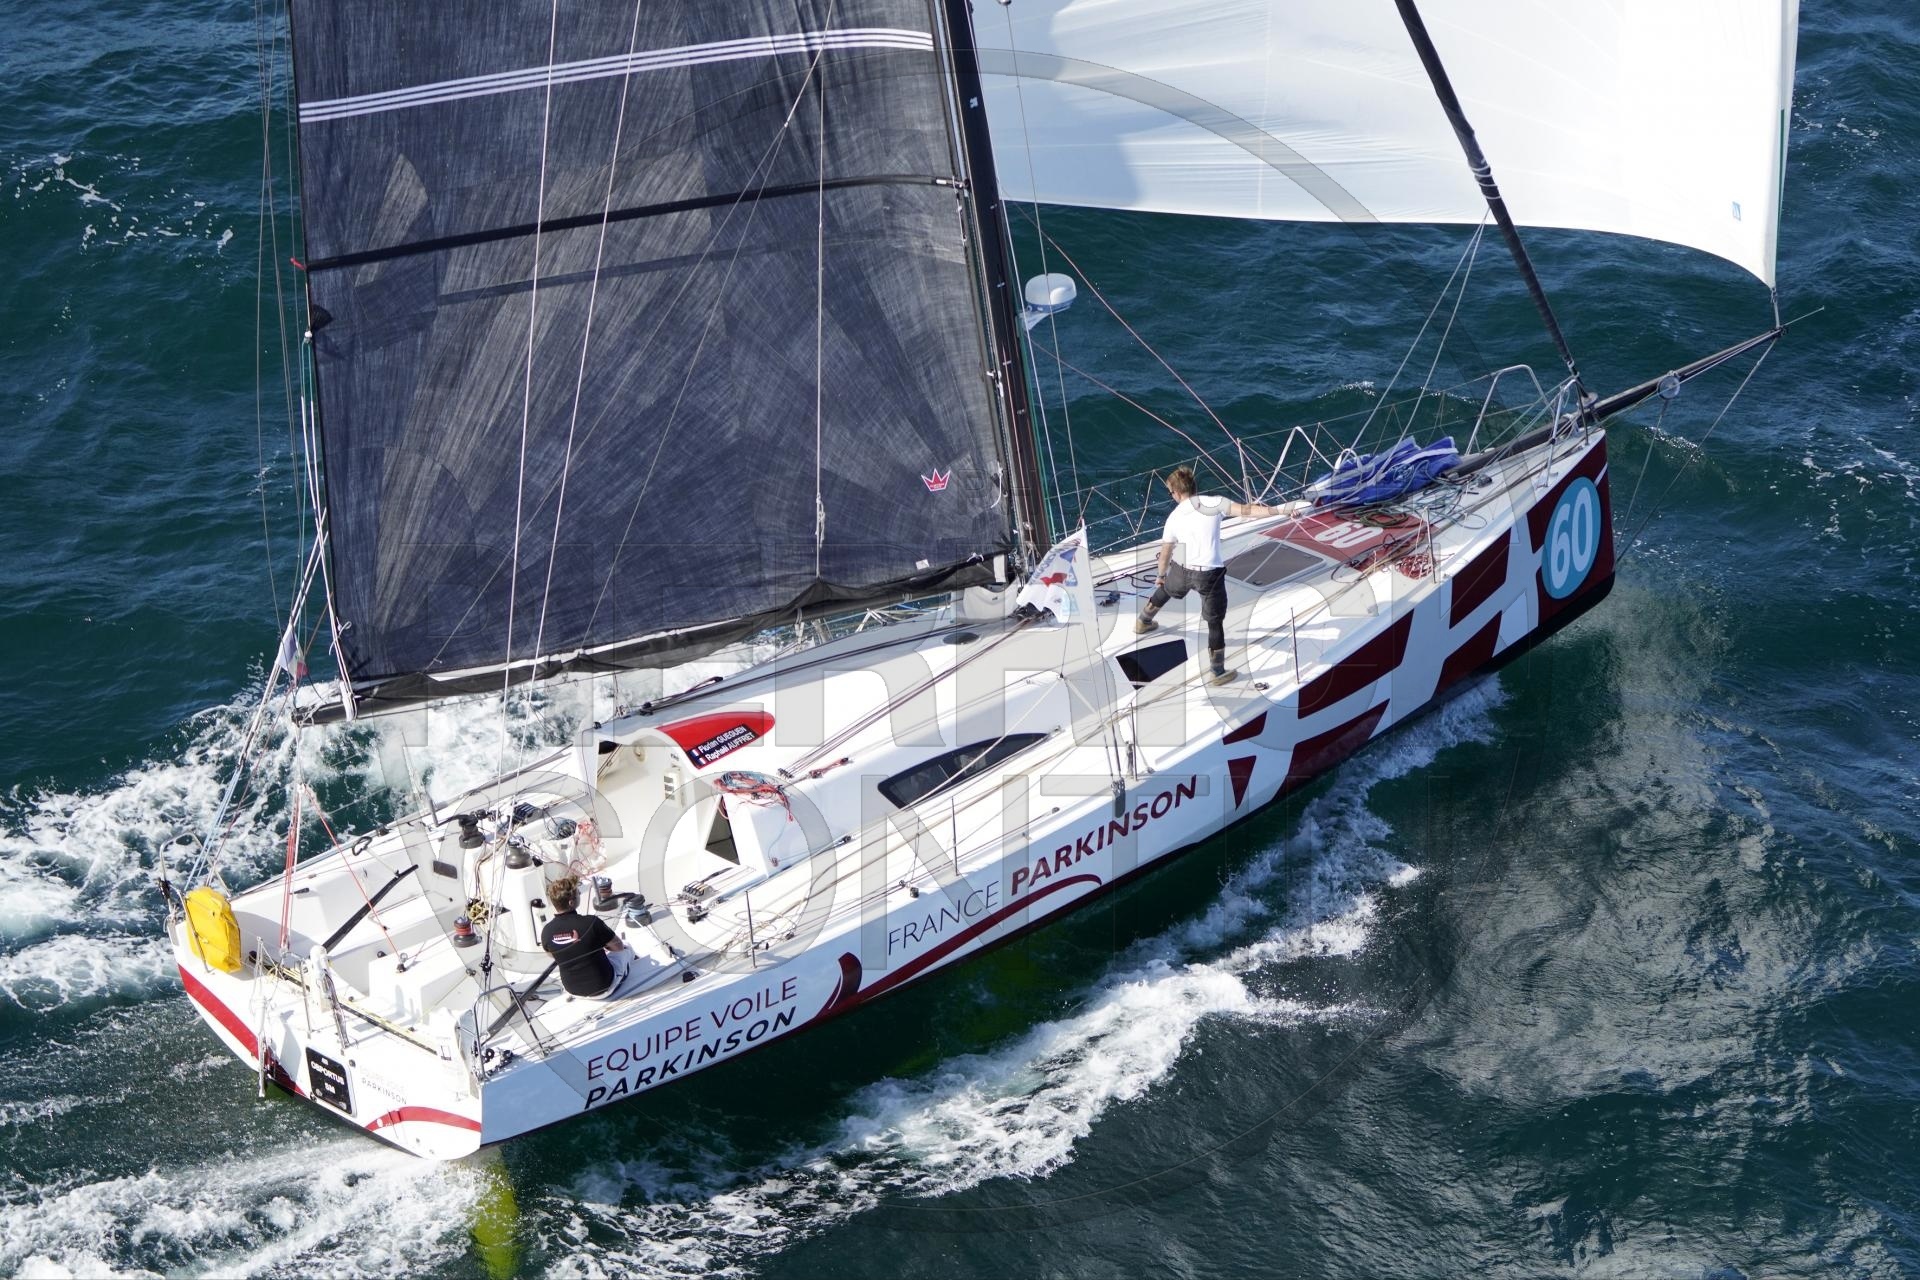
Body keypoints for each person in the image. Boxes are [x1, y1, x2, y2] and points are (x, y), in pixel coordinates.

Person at [1135, 466, 1280, 685]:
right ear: (1193, 487)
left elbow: (1165, 554)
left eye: (1170, 492)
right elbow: (1247, 510)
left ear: (1177, 492)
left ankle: (1143, 621)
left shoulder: (1174, 517)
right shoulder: (1215, 503)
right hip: (1209, 576)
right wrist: (1280, 511)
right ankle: (1217, 672)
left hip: (1182, 569)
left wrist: (1161, 576)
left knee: (1166, 588)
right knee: (1214, 622)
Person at [539, 875, 630, 999]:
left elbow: (552, 954)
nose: (580, 894)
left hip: (573, 990)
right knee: (626, 948)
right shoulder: (591, 922)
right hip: (603, 986)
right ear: (571, 902)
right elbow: (618, 947)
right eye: (578, 893)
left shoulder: (546, 931)